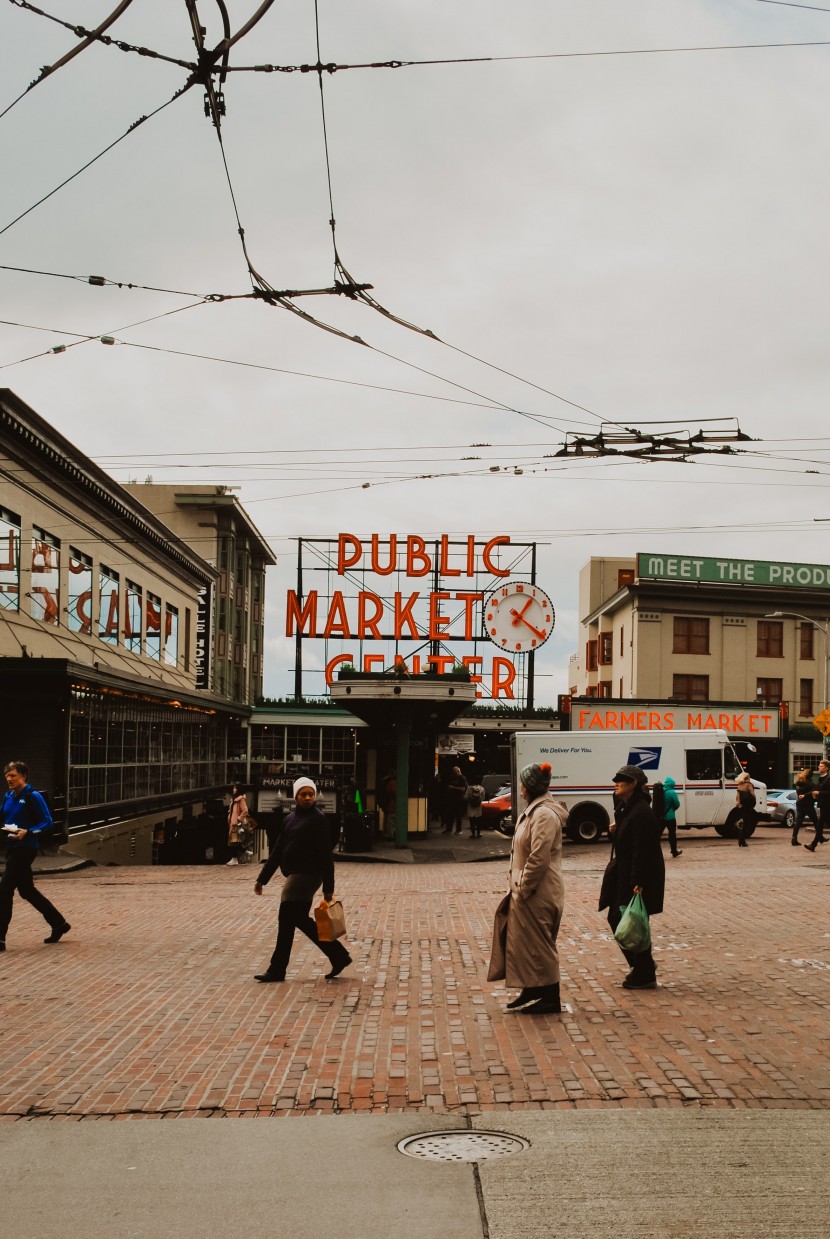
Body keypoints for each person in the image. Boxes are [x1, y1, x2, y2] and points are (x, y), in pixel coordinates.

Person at [252, 776, 351, 983]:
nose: (308, 798)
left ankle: (278, 969)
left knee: (287, 917)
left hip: (306, 876)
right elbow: (278, 850)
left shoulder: (318, 819)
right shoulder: (289, 819)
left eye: (311, 794)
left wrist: (328, 888)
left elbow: (326, 855)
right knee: (295, 920)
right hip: (295, 874)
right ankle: (338, 956)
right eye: (303, 794)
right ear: (295, 796)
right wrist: (263, 878)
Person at [487, 761, 566, 1014]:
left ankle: (550, 997)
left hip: (537, 892)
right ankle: (533, 988)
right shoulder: (535, 810)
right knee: (526, 943)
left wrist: (524, 887)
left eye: (522, 784)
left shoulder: (543, 814)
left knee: (540, 944)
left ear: (529, 787)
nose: (519, 788)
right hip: (530, 890)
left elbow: (539, 857)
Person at [599, 765, 664, 990]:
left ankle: (643, 970)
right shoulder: (628, 808)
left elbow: (641, 850)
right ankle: (642, 967)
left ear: (634, 784)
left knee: (630, 921)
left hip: (635, 877)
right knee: (622, 919)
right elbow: (625, 842)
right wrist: (614, 831)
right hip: (626, 874)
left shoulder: (641, 812)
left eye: (621, 780)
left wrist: (637, 882)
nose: (616, 783)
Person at [0, 761, 70, 951]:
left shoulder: (33, 796)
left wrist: (28, 832)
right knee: (27, 890)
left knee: (4, 889)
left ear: (23, 776)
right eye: (7, 775)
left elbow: (47, 822)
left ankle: (0, 939)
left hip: (26, 848)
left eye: (12, 775)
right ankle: (59, 924)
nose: (8, 779)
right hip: (13, 847)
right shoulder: (7, 796)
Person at [805, 758, 830, 851]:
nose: (819, 767)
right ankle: (814, 844)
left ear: (826, 768)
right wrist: (812, 795)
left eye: (821, 766)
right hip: (823, 805)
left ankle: (813, 844)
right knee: (820, 825)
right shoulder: (821, 778)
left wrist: (819, 793)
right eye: (819, 766)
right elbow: (817, 790)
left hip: (827, 805)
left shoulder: (828, 779)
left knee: (819, 825)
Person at [792, 767, 817, 847]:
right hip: (808, 805)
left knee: (798, 822)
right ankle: (820, 837)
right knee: (816, 821)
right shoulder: (810, 784)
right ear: (811, 776)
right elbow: (813, 791)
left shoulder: (798, 782)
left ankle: (794, 839)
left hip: (799, 804)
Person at [226, 783, 250, 865]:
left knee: (233, 842)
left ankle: (234, 859)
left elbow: (245, 810)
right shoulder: (234, 799)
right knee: (235, 841)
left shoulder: (241, 799)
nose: (233, 789)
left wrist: (239, 819)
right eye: (233, 788)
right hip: (233, 822)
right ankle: (245, 851)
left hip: (236, 823)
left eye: (235, 788)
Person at [443, 765, 468, 835]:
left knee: (458, 814)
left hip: (459, 798)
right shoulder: (451, 777)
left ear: (458, 771)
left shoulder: (462, 778)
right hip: (451, 798)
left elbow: (463, 788)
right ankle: (449, 829)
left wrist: (453, 787)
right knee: (449, 814)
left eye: (455, 772)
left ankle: (459, 830)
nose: (454, 773)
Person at [661, 776, 682, 858]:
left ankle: (652, 851)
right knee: (672, 834)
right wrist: (672, 809)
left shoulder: (661, 790)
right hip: (670, 817)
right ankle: (674, 851)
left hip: (661, 817)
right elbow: (677, 804)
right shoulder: (672, 792)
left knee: (658, 835)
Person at [735, 772, 756, 848]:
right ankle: (741, 840)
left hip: (741, 806)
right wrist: (753, 803)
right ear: (747, 778)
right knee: (746, 824)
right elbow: (753, 795)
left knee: (744, 823)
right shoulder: (749, 785)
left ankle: (742, 841)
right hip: (748, 806)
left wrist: (738, 804)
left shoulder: (739, 785)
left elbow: (737, 796)